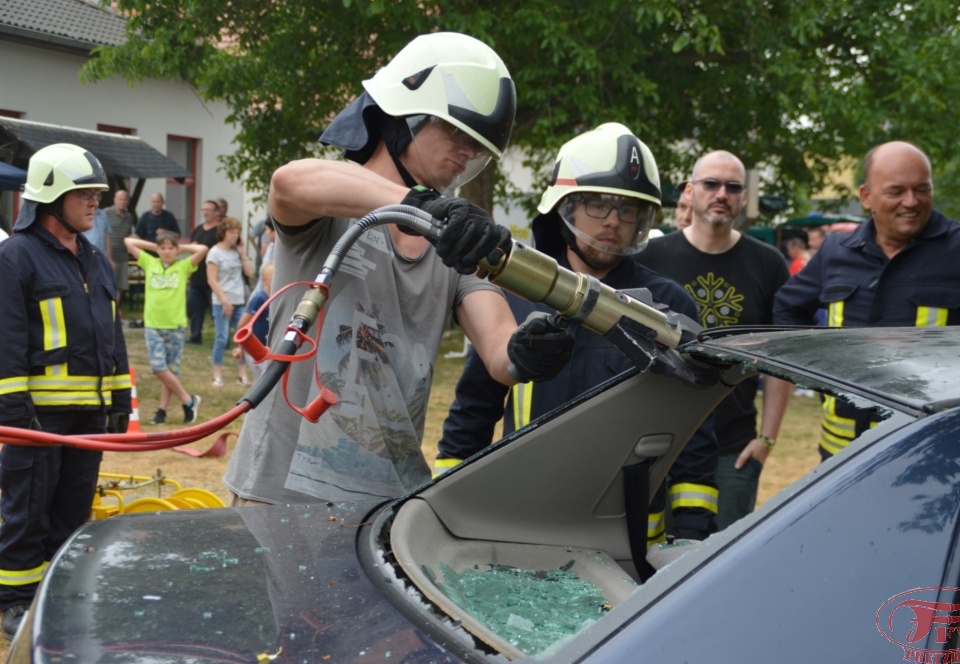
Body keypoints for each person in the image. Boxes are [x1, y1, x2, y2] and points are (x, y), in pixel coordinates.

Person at [223, 32, 571, 507]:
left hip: (385, 505)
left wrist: (527, 352)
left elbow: (499, 352)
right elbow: (288, 183)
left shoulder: (451, 243)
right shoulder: (334, 206)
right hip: (278, 493)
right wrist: (417, 205)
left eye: (479, 147)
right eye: (457, 134)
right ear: (406, 114)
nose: (468, 153)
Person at [436, 123, 719, 543]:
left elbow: (693, 430)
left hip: (630, 543)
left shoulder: (668, 305)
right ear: (564, 207)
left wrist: (694, 536)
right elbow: (474, 411)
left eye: (628, 210)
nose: (613, 222)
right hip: (523, 526)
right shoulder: (517, 293)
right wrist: (445, 511)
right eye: (598, 205)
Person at [774, 140, 960, 459]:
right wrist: (812, 373)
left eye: (922, 189)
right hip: (840, 456)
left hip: (932, 453)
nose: (911, 201)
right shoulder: (837, 251)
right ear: (866, 197)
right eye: (897, 191)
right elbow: (788, 307)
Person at [0, 143, 131, 639]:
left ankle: (56, 593)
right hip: (36, 419)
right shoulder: (15, 258)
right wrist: (15, 414)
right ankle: (15, 601)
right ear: (51, 196)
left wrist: (119, 399)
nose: (95, 202)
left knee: (73, 511)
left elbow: (112, 332)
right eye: (85, 194)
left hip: (88, 417)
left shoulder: (95, 259)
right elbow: (7, 340)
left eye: (97, 194)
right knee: (26, 511)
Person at [637, 150, 791, 530]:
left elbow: (781, 361)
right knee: (640, 562)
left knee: (714, 570)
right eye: (711, 184)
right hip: (655, 440)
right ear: (689, 191)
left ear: (743, 197)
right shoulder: (649, 257)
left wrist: (766, 441)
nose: (722, 193)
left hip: (732, 450)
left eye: (733, 187)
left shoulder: (768, 264)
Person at [124, 231, 208, 424]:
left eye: (171, 248)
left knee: (170, 371)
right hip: (153, 324)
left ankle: (161, 412)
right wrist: (157, 248)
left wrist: (180, 249)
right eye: (163, 248)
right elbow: (129, 242)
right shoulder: (150, 263)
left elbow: (202, 249)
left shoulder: (183, 266)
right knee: (158, 367)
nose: (167, 251)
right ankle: (188, 401)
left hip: (175, 325)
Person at [206, 216, 254, 387]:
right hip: (221, 301)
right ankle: (216, 375)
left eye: (237, 232)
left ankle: (242, 374)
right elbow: (212, 280)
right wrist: (224, 301)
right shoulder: (214, 252)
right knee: (221, 338)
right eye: (232, 232)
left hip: (239, 300)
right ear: (223, 232)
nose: (235, 235)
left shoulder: (236, 252)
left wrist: (242, 254)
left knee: (242, 338)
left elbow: (249, 273)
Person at [187, 199, 222, 344]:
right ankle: (195, 336)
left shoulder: (220, 230)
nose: (205, 212)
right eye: (204, 210)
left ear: (216, 213)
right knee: (195, 309)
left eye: (209, 210)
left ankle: (221, 339)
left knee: (216, 311)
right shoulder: (199, 229)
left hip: (213, 277)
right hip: (197, 276)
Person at [233, 261, 273, 381]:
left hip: (267, 348)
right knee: (262, 379)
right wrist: (241, 347)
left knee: (266, 379)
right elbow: (242, 324)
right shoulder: (259, 298)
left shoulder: (277, 299)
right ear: (264, 280)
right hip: (254, 348)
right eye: (273, 277)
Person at [105, 189, 136, 302]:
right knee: (107, 285)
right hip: (108, 256)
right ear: (114, 200)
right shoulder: (106, 213)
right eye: (120, 199)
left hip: (122, 256)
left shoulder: (129, 217)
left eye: (125, 200)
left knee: (120, 286)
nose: (122, 202)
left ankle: (116, 312)